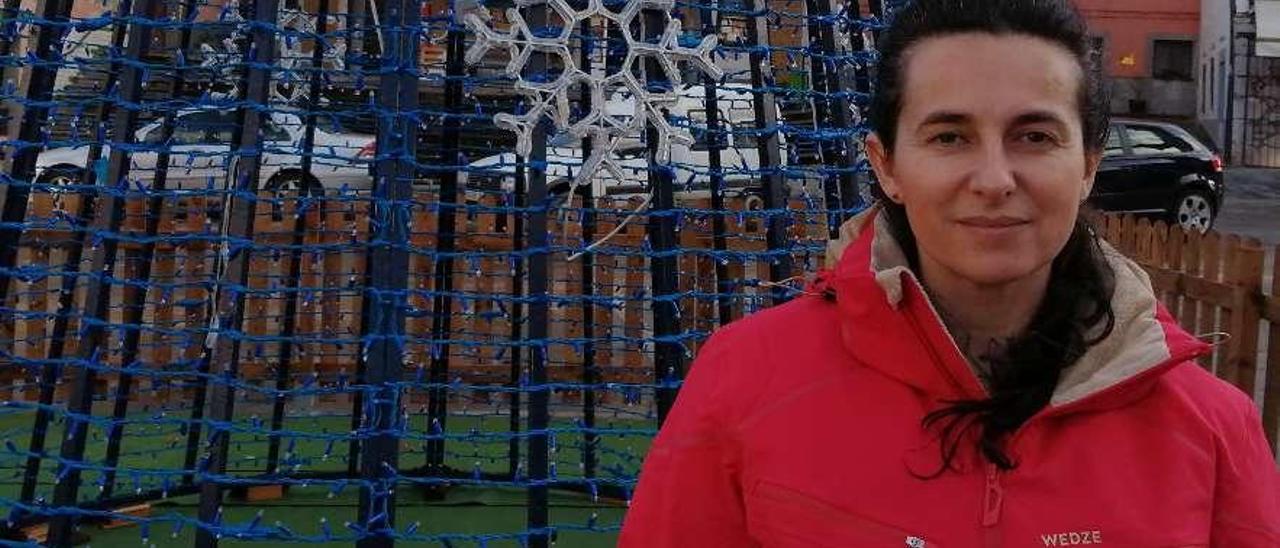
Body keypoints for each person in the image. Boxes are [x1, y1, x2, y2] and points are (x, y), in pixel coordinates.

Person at [617, 0, 1280, 545]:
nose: (994, 180)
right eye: (949, 136)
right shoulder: (745, 379)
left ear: (1088, 166)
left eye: (1035, 135)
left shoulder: (1209, 429)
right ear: (887, 166)